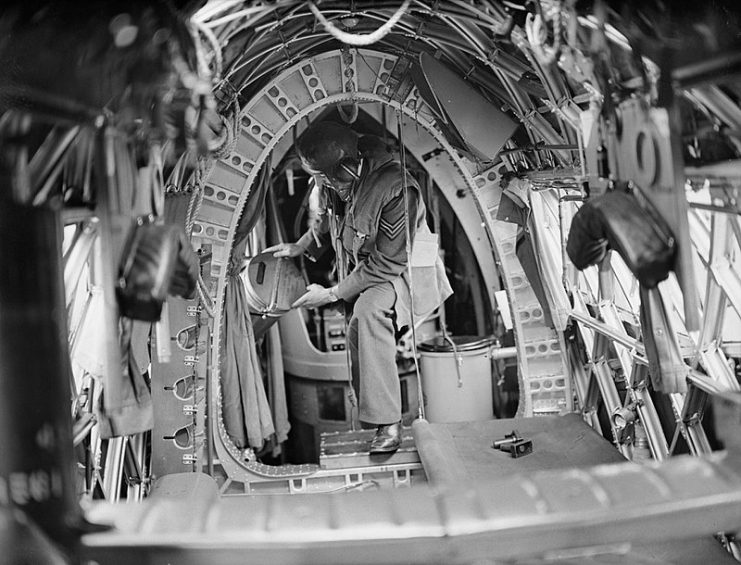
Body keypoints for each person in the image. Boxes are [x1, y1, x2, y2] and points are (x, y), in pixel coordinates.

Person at [267, 121, 452, 454]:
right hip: (364, 267)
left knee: (367, 313)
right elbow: (329, 219)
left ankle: (389, 424)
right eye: (317, 178)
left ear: (350, 167)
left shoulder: (397, 188)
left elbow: (388, 264)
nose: (321, 184)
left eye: (324, 178)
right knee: (356, 327)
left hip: (402, 270)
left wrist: (333, 293)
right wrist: (302, 245)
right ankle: (373, 411)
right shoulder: (333, 177)